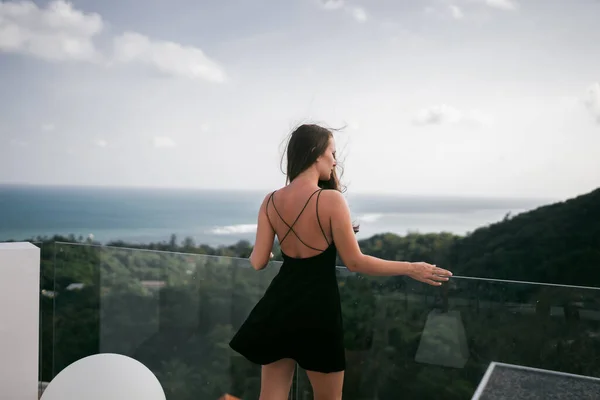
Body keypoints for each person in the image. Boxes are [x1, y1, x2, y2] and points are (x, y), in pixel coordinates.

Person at [229, 123, 453, 400]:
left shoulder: (271, 201)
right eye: (332, 152)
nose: (335, 160)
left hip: (279, 304)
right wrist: (411, 268)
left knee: (271, 397)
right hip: (318, 309)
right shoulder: (331, 200)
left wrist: (272, 253)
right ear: (316, 154)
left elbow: (257, 261)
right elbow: (355, 262)